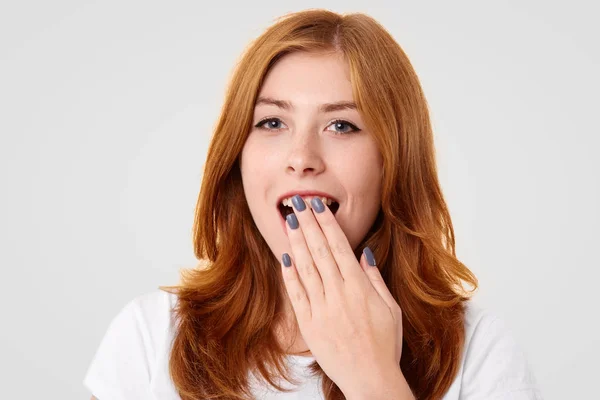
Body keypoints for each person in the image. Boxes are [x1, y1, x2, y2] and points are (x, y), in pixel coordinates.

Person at [83, 9, 543, 400]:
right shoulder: (148, 338)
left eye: (341, 126)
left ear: (394, 161)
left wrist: (374, 377)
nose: (301, 158)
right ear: (236, 156)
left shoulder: (480, 350)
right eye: (271, 122)